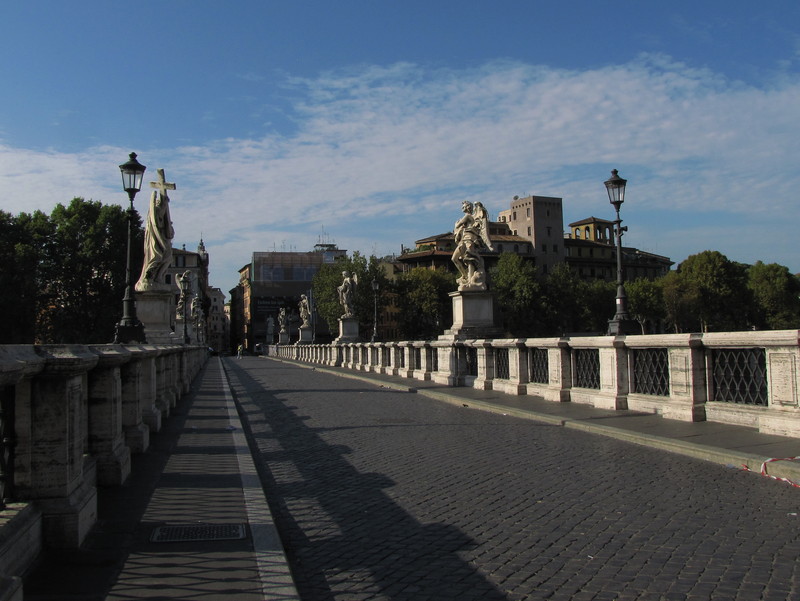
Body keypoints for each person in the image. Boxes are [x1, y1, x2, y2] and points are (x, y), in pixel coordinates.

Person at [451, 200, 493, 290]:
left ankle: (470, 281)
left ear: (468, 207)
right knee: (454, 258)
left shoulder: (468, 216)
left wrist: (457, 224)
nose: (462, 208)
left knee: (470, 259)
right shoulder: (469, 217)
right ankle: (465, 276)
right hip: (463, 240)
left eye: (464, 206)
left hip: (469, 240)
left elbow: (458, 225)